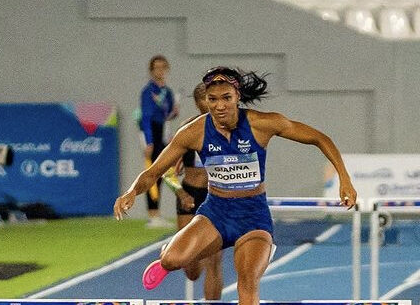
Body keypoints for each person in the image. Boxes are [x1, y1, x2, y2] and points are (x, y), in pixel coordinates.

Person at [114, 66, 357, 305]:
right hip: (215, 213)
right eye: (213, 99)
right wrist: (132, 191)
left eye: (226, 98)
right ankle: (169, 254)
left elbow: (319, 138)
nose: (219, 106)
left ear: (237, 96)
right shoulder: (193, 132)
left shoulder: (262, 123)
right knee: (172, 261)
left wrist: (344, 178)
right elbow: (154, 172)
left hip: (253, 218)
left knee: (248, 282)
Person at [160, 83, 223, 299]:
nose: (214, 104)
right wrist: (181, 193)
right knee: (192, 270)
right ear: (198, 103)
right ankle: (170, 251)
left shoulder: (229, 129)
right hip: (190, 196)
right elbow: (167, 171)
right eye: (208, 99)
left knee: (214, 261)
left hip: (217, 198)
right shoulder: (187, 130)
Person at [139, 54, 179, 228]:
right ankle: (152, 214)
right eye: (157, 68)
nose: (160, 71)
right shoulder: (148, 91)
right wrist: (148, 141)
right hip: (152, 133)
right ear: (151, 71)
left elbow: (167, 115)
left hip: (163, 132)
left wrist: (174, 113)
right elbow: (146, 118)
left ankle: (157, 214)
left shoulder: (167, 92)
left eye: (163, 67)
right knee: (153, 172)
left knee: (165, 171)